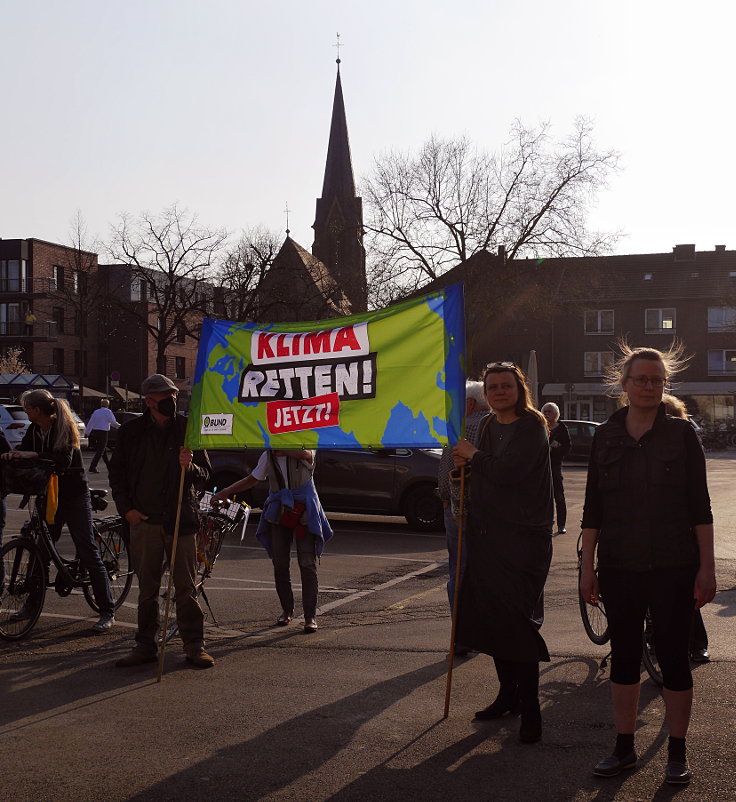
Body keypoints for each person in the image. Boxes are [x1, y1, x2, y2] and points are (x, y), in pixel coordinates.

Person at [580, 344, 716, 785]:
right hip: (619, 565)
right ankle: (623, 748)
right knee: (623, 659)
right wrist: (587, 567)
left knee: (675, 659)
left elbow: (701, 507)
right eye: (641, 378)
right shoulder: (605, 435)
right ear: (624, 385)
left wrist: (707, 567)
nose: (649, 386)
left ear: (664, 385)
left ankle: (678, 753)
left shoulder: (681, 434)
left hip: (675, 565)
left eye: (657, 380)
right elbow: (593, 508)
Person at [452, 362, 553, 744]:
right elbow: (488, 474)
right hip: (488, 534)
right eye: (492, 387)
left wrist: (474, 457)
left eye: (505, 385)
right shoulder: (489, 425)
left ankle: (531, 709)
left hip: (525, 539)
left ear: (519, 388)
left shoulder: (531, 425)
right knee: (491, 618)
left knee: (515, 621)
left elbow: (511, 472)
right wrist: (463, 470)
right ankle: (507, 695)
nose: (498, 391)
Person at [109, 374, 214, 668]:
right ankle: (145, 645)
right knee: (148, 589)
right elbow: (116, 474)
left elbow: (206, 474)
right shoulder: (131, 432)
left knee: (185, 587)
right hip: (145, 520)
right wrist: (126, 510)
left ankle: (194, 644)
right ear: (149, 401)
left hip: (181, 519)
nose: (172, 400)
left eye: (174, 395)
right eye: (165, 396)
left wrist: (190, 466)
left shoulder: (187, 429)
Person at [0, 389, 115, 632]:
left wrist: (34, 454)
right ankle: (31, 605)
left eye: (27, 408)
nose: (25, 412)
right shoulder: (34, 429)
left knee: (87, 550)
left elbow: (62, 460)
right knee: (39, 554)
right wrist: (15, 455)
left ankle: (107, 610)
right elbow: (26, 450)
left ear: (36, 410)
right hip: (47, 495)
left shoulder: (64, 427)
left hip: (72, 496)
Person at [212, 448, 332, 633]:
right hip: (279, 508)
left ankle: (310, 616)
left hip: (305, 510)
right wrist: (226, 491)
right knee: (280, 563)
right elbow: (253, 478)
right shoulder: (268, 455)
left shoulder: (305, 443)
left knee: (307, 564)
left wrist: (284, 450)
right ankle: (287, 610)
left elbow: (307, 455)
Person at [662, 393, 710, 664]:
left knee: (686, 593)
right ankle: (654, 638)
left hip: (681, 529)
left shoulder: (685, 438)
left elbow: (698, 496)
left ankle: (697, 642)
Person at [437, 381, 490, 619]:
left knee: (458, 570)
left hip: (459, 507)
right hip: (488, 509)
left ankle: (460, 630)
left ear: (469, 404)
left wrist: (445, 498)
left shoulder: (462, 428)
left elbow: (446, 469)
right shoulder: (496, 424)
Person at [541, 402, 571, 535]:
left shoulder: (562, 428)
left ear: (556, 414)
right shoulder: (540, 427)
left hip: (555, 465)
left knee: (558, 495)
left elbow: (567, 446)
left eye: (549, 412)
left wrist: (556, 449)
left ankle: (561, 525)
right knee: (543, 496)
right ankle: (545, 523)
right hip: (541, 466)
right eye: (545, 411)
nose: (547, 414)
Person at [85, 398, 120, 473]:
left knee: (102, 450)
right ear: (108, 405)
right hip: (103, 432)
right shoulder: (108, 412)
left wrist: (87, 432)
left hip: (96, 432)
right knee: (101, 450)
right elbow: (113, 422)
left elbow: (91, 422)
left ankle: (109, 466)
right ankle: (92, 467)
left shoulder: (96, 412)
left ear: (101, 404)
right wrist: (120, 426)